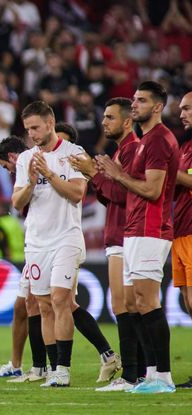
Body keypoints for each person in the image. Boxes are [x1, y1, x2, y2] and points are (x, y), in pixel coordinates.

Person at [96, 81, 179, 394]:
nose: (135, 105)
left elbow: (154, 190)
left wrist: (116, 175)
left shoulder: (158, 141)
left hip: (151, 228)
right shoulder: (146, 141)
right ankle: (149, 374)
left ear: (157, 107)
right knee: (133, 301)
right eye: (134, 99)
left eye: (142, 101)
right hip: (133, 230)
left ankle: (164, 376)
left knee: (146, 300)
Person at [12, 100, 88, 388]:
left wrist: (50, 174)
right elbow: (17, 202)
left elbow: (78, 193)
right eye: (27, 129)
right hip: (36, 242)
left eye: (35, 127)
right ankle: (54, 367)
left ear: (50, 123)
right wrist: (31, 181)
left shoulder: (74, 153)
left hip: (66, 237)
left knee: (59, 300)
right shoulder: (24, 159)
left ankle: (64, 371)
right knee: (43, 306)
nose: (31, 133)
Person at [69, 97, 142, 391]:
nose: (104, 122)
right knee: (124, 305)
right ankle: (140, 372)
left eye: (110, 118)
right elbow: (110, 194)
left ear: (127, 121)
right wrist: (95, 174)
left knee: (128, 305)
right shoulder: (121, 151)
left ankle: (134, 374)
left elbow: (126, 195)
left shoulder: (132, 150)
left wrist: (93, 172)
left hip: (126, 233)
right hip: (120, 232)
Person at [0, 136, 46, 383]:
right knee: (22, 307)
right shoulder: (26, 172)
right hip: (33, 247)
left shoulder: (32, 166)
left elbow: (18, 202)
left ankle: (43, 367)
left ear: (12, 158)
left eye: (5, 166)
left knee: (53, 306)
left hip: (48, 245)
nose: (8, 171)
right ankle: (17, 365)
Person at [174, 91, 192, 389]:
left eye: (188, 108)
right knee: (189, 304)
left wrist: (170, 172)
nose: (182, 114)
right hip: (178, 232)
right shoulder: (186, 145)